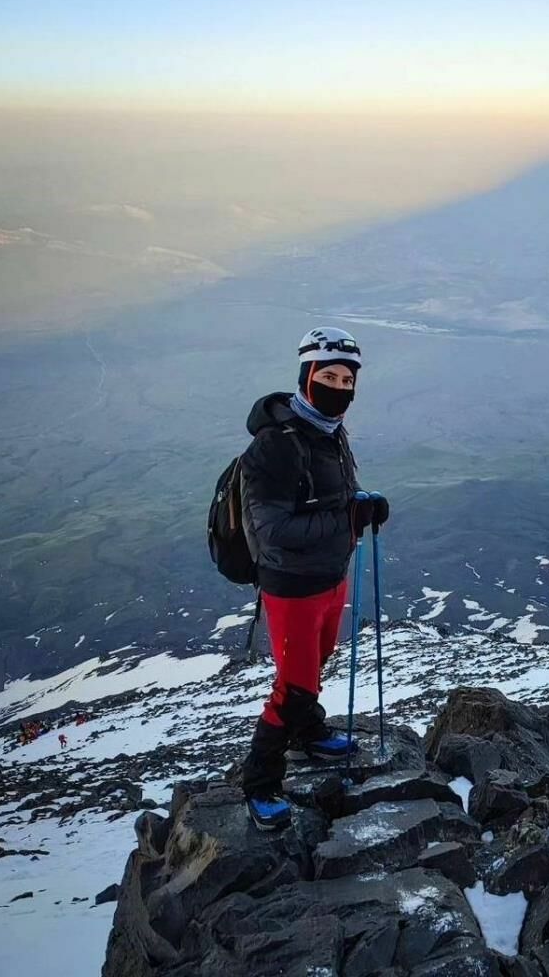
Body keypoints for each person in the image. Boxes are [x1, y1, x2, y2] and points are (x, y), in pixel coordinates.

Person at [239, 326, 389, 830]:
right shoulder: (275, 446)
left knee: (316, 664)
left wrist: (361, 504)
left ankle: (307, 733)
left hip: (329, 576)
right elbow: (273, 529)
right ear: (306, 377)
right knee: (294, 685)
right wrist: (347, 518)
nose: (339, 388)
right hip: (292, 586)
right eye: (329, 377)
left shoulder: (329, 432)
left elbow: (335, 496)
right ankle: (260, 782)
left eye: (347, 380)